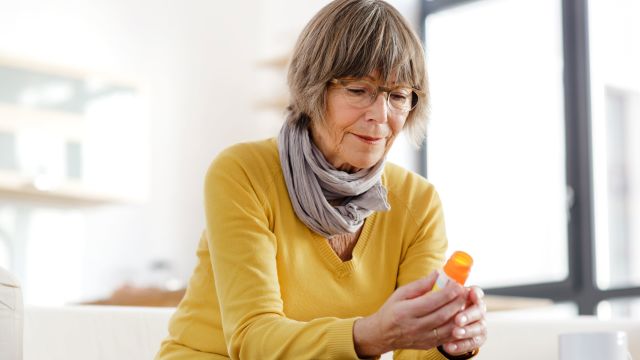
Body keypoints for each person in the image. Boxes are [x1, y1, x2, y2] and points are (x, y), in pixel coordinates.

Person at [156, 0, 487, 358]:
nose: (380, 115)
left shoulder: (418, 203)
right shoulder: (242, 172)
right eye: (359, 90)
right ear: (313, 89)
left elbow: (414, 353)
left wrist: (447, 340)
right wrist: (369, 335)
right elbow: (252, 338)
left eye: (398, 96)